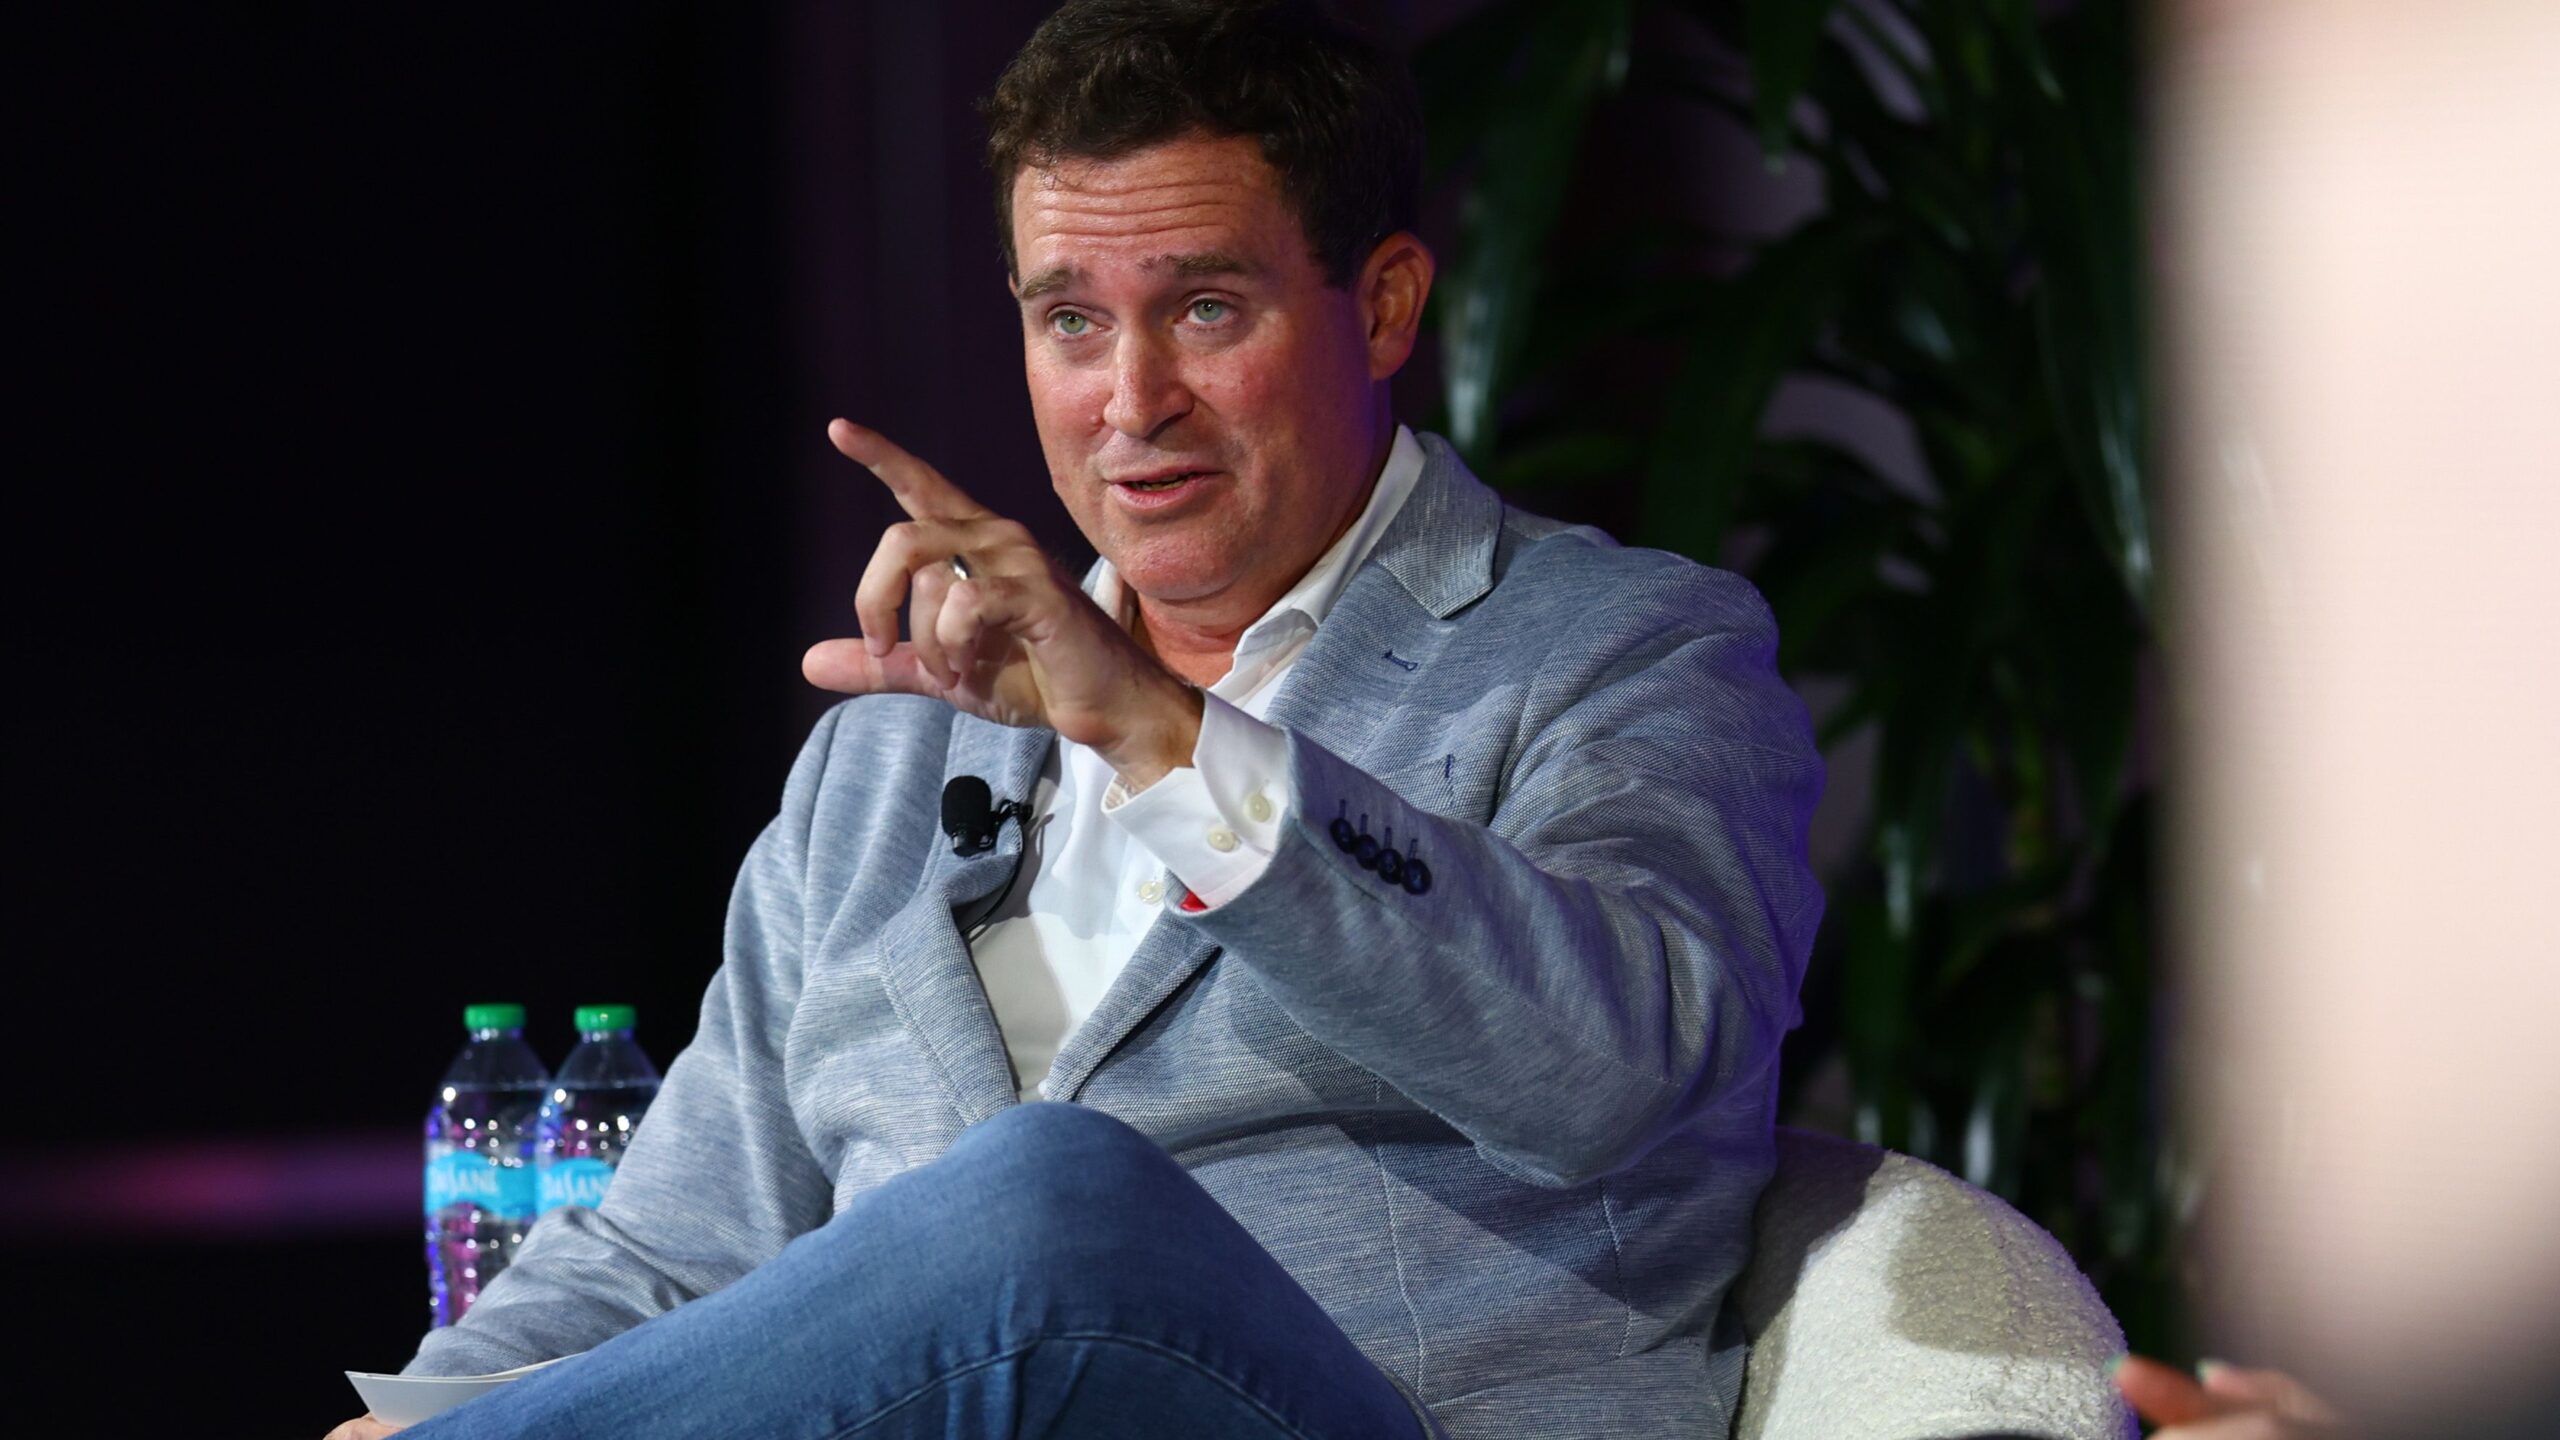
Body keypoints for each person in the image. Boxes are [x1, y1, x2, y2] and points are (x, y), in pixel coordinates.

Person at [330, 2, 1824, 1435]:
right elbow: (668, 1253)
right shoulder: (889, 755)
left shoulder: (1627, 651)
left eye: (1205, 308)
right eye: (1071, 321)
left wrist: (1164, 739)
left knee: (1051, 1191)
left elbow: (1627, 1067)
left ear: (1382, 307)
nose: (1131, 399)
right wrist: (410, 1422)